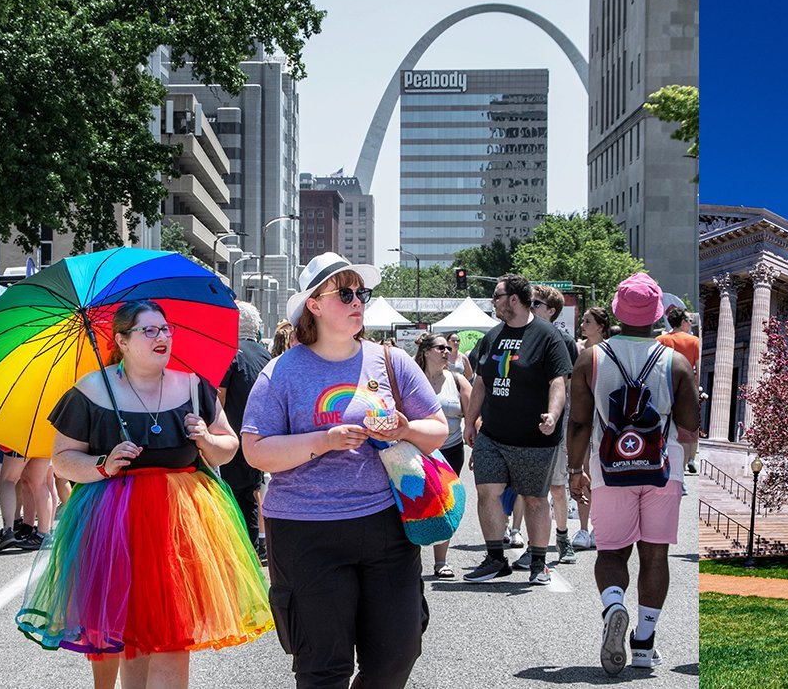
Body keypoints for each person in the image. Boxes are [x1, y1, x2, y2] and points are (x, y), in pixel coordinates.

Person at [18, 300, 271, 689]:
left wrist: (206, 438)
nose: (162, 337)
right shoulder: (91, 390)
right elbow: (63, 459)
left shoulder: (192, 385)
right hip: (113, 524)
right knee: (130, 637)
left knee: (171, 636)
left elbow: (229, 446)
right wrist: (103, 463)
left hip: (180, 526)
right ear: (121, 340)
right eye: (149, 331)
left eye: (165, 329)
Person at [242, 252, 447, 689]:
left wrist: (405, 427)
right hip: (304, 530)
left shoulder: (390, 361)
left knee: (398, 652)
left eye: (362, 293)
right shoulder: (280, 372)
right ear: (313, 305)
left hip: (387, 525)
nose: (358, 302)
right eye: (346, 293)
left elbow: (439, 431)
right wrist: (324, 440)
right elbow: (255, 451)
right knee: (322, 666)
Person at [568, 274, 702, 675]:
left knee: (611, 552)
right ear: (658, 314)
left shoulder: (590, 358)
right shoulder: (675, 361)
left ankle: (614, 605)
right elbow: (689, 424)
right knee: (655, 554)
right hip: (663, 467)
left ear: (615, 312)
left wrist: (576, 470)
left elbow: (577, 423)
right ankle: (644, 642)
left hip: (609, 467)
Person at [462, 274, 573, 585]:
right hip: (494, 435)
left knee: (535, 498)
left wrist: (552, 415)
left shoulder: (548, 336)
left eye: (497, 296)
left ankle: (539, 563)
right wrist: (471, 422)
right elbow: (481, 382)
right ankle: (496, 558)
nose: (493, 301)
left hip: (535, 437)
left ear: (514, 300)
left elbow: (558, 382)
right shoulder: (492, 336)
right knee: (487, 492)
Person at [520, 283, 580, 569]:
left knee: (556, 486)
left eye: (535, 304)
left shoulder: (563, 341)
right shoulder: (520, 336)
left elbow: (570, 385)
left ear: (551, 311)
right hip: (524, 423)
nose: (530, 308)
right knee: (531, 489)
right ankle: (534, 547)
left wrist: (563, 422)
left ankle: (563, 538)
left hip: (554, 424)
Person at [414, 332, 472, 579]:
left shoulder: (458, 380)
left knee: (444, 505)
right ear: (426, 351)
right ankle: (410, 561)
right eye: (441, 348)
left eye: (448, 348)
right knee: (415, 504)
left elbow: (472, 417)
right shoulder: (412, 379)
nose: (447, 352)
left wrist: (476, 444)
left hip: (451, 449)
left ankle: (441, 561)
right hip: (418, 450)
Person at [219, 301, 273, 561]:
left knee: (230, 495)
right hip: (261, 436)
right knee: (250, 494)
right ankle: (252, 551)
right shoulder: (265, 355)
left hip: (232, 435)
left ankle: (238, 554)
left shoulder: (230, 353)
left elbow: (220, 396)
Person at [570, 306, 614, 550]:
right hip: (580, 415)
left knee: (599, 474)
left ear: (600, 326)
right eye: (583, 321)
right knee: (581, 471)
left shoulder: (610, 352)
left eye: (587, 321)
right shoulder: (577, 350)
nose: (583, 325)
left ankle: (599, 527)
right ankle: (583, 529)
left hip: (603, 417)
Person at [656, 307, 702, 475]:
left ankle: (663, 466)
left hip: (663, 390)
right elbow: (698, 368)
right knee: (684, 434)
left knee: (664, 430)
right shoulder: (694, 341)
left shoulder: (659, 339)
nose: (690, 324)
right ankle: (679, 473)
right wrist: (696, 392)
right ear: (683, 322)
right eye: (689, 321)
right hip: (685, 391)